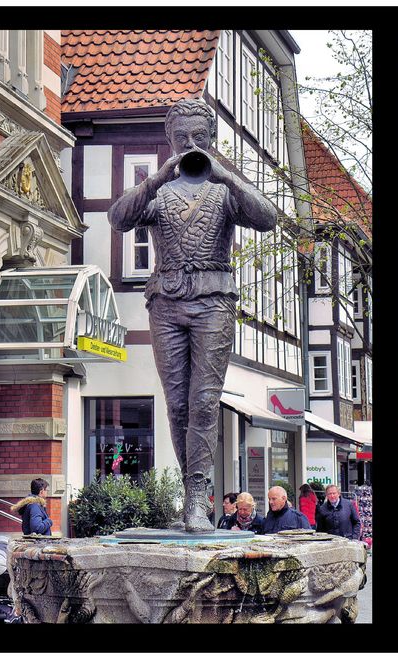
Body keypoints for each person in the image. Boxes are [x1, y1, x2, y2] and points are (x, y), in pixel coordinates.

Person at [108, 98, 278, 532]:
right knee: (178, 406)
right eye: (181, 138)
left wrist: (225, 173)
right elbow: (117, 218)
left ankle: (197, 504)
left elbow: (268, 218)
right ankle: (192, 497)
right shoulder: (157, 191)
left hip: (214, 300)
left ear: (210, 140)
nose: (189, 145)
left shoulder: (224, 191)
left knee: (204, 402)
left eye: (198, 138)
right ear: (170, 141)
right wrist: (155, 179)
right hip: (165, 302)